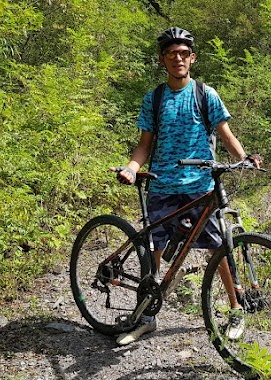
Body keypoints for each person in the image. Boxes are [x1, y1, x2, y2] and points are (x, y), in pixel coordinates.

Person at [112, 27, 261, 345]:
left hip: (199, 185)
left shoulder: (205, 94)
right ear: (163, 60)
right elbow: (144, 145)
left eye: (183, 53)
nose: (178, 58)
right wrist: (131, 168)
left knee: (218, 248)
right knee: (155, 250)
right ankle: (148, 314)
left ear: (192, 58)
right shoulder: (153, 99)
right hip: (162, 185)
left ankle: (235, 311)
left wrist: (244, 158)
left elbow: (226, 134)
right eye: (171, 54)